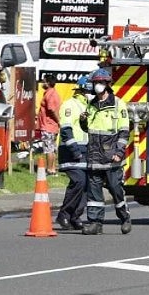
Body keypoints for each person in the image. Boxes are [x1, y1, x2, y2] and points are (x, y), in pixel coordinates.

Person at [80, 68, 131, 235]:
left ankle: (124, 218)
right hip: (94, 156)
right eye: (95, 83)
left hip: (111, 157)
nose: (97, 86)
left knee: (116, 189)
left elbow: (124, 132)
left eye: (100, 83)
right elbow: (88, 129)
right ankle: (95, 223)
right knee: (94, 193)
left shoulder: (118, 105)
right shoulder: (91, 105)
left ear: (108, 84)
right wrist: (82, 121)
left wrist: (119, 152)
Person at [56, 75, 93, 230]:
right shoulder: (70, 105)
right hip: (71, 151)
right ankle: (64, 214)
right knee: (78, 181)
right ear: (83, 90)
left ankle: (75, 217)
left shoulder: (89, 106)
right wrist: (75, 150)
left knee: (87, 185)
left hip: (86, 151)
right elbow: (66, 129)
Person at [37, 73, 61, 175]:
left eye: (44, 81)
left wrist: (58, 121)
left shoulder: (50, 94)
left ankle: (50, 169)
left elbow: (52, 109)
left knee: (48, 149)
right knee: (52, 148)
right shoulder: (51, 92)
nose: (42, 83)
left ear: (48, 82)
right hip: (51, 125)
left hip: (48, 126)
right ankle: (53, 168)